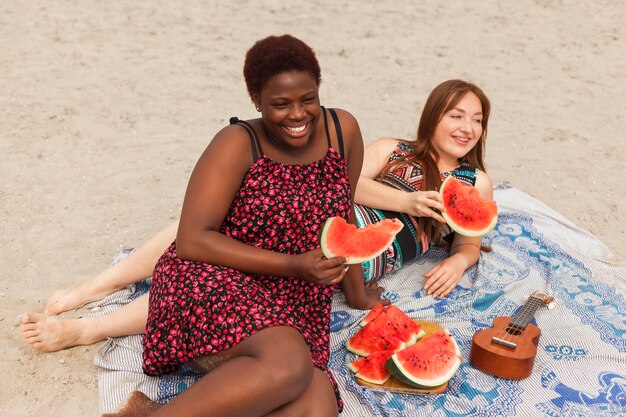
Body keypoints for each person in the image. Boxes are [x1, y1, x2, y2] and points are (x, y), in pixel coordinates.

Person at [22, 77, 492, 413]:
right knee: (206, 228)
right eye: (456, 114)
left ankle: (94, 329)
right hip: (327, 224)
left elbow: (471, 239)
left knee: (231, 265)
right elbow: (344, 188)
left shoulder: (476, 182)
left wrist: (459, 258)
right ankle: (96, 288)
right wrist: (407, 200)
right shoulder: (394, 149)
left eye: (476, 119)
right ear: (434, 116)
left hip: (352, 260)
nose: (465, 126)